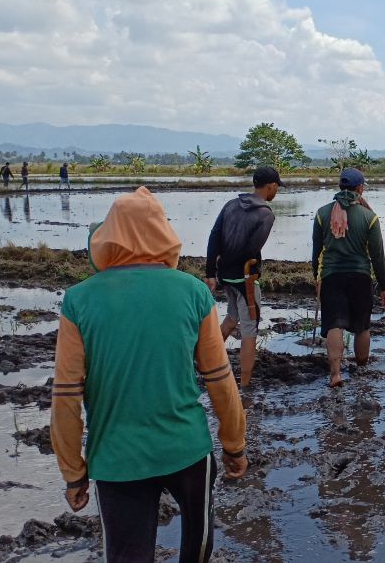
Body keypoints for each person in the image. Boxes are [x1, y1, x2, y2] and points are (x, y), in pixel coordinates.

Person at [50, 187, 247, 563]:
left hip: (116, 457)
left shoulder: (79, 299)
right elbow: (220, 378)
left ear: (107, 236)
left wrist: (73, 472)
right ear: (162, 232)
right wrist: (234, 445)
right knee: (198, 547)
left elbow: (66, 394)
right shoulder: (192, 292)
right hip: (187, 449)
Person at [312, 169, 385, 388]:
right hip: (360, 277)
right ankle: (362, 369)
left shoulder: (322, 214)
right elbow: (377, 256)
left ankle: (335, 374)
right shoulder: (370, 217)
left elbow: (316, 251)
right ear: (360, 188)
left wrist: (316, 278)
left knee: (334, 325)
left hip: (330, 276)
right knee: (362, 326)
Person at [205, 166, 281, 388]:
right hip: (245, 279)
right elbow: (250, 250)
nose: (276, 190)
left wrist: (212, 271)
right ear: (270, 186)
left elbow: (214, 236)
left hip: (226, 277)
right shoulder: (265, 214)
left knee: (231, 317)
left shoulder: (231, 204)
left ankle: (205, 360)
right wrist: (229, 264)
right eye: (276, 186)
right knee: (250, 330)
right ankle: (245, 385)